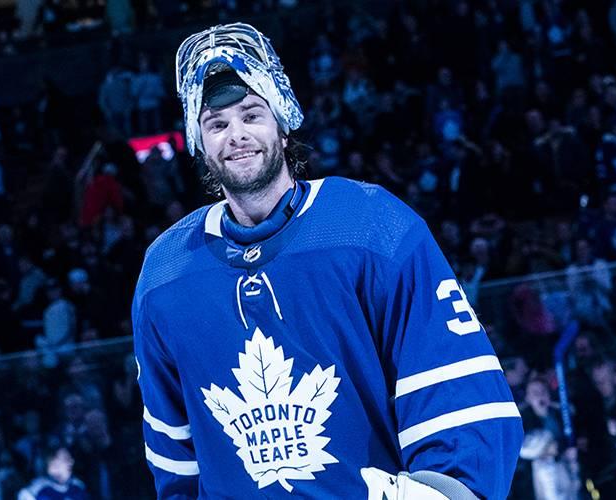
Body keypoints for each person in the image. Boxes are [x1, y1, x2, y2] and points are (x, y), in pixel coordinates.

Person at [132, 23, 522, 499]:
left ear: (282, 119)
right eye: (216, 124)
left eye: (251, 114)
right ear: (198, 141)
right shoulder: (165, 274)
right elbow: (174, 458)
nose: (235, 135)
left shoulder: (371, 226)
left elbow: (459, 397)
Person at [17, 443, 89, 500]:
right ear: (51, 465)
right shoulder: (35, 490)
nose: (71, 462)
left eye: (70, 458)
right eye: (65, 459)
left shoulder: (78, 486)